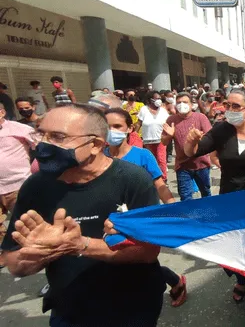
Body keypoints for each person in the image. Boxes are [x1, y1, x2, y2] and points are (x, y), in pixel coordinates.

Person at [0, 104, 166, 326]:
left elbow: (147, 252)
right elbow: (14, 262)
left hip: (131, 305)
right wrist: (37, 254)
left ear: (95, 145)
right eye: (41, 134)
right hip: (68, 308)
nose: (43, 144)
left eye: (58, 137)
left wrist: (80, 245)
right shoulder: (35, 186)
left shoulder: (132, 179)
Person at [183, 87, 245, 324]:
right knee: (233, 248)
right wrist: (190, 143)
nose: (229, 110)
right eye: (227, 105)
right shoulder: (221, 131)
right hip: (229, 201)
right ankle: (240, 280)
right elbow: (193, 152)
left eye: (235, 106)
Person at [103, 108, 187, 308]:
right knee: (119, 261)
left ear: (130, 128)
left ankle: (174, 282)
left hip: (143, 220)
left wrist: (172, 209)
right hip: (111, 222)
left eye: (117, 126)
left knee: (144, 261)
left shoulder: (143, 156)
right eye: (107, 127)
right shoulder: (99, 156)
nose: (111, 131)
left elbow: (160, 185)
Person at [161, 93, 213, 201]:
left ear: (191, 104)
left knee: (206, 193)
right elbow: (164, 142)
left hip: (201, 163)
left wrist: (198, 138)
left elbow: (210, 137)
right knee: (185, 196)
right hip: (182, 165)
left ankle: (208, 215)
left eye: (185, 102)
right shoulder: (171, 120)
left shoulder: (200, 117)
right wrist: (169, 136)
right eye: (179, 102)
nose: (182, 105)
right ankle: (188, 217)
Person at [0, 103, 35, 244]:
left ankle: (32, 253)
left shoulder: (21, 129)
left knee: (25, 223)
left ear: (2, 113)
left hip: (18, 185)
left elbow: (43, 146)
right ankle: (4, 255)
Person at [137, 91, 170, 181]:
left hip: (161, 139)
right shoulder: (144, 109)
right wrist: (135, 135)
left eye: (160, 98)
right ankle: (153, 177)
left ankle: (163, 178)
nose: (159, 100)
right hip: (148, 139)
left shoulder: (163, 111)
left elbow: (168, 123)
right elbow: (139, 123)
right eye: (157, 98)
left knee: (161, 159)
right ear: (150, 100)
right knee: (151, 159)